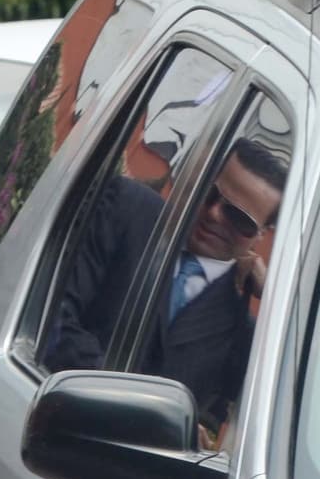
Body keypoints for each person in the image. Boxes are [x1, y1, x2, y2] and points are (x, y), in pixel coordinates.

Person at [46, 137, 286, 431]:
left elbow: (290, 420)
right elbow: (54, 314)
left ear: (259, 235)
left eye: (239, 218)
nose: (214, 215)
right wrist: (132, 405)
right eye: (210, 194)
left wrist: (279, 304)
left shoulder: (242, 331)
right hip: (48, 417)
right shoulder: (127, 209)